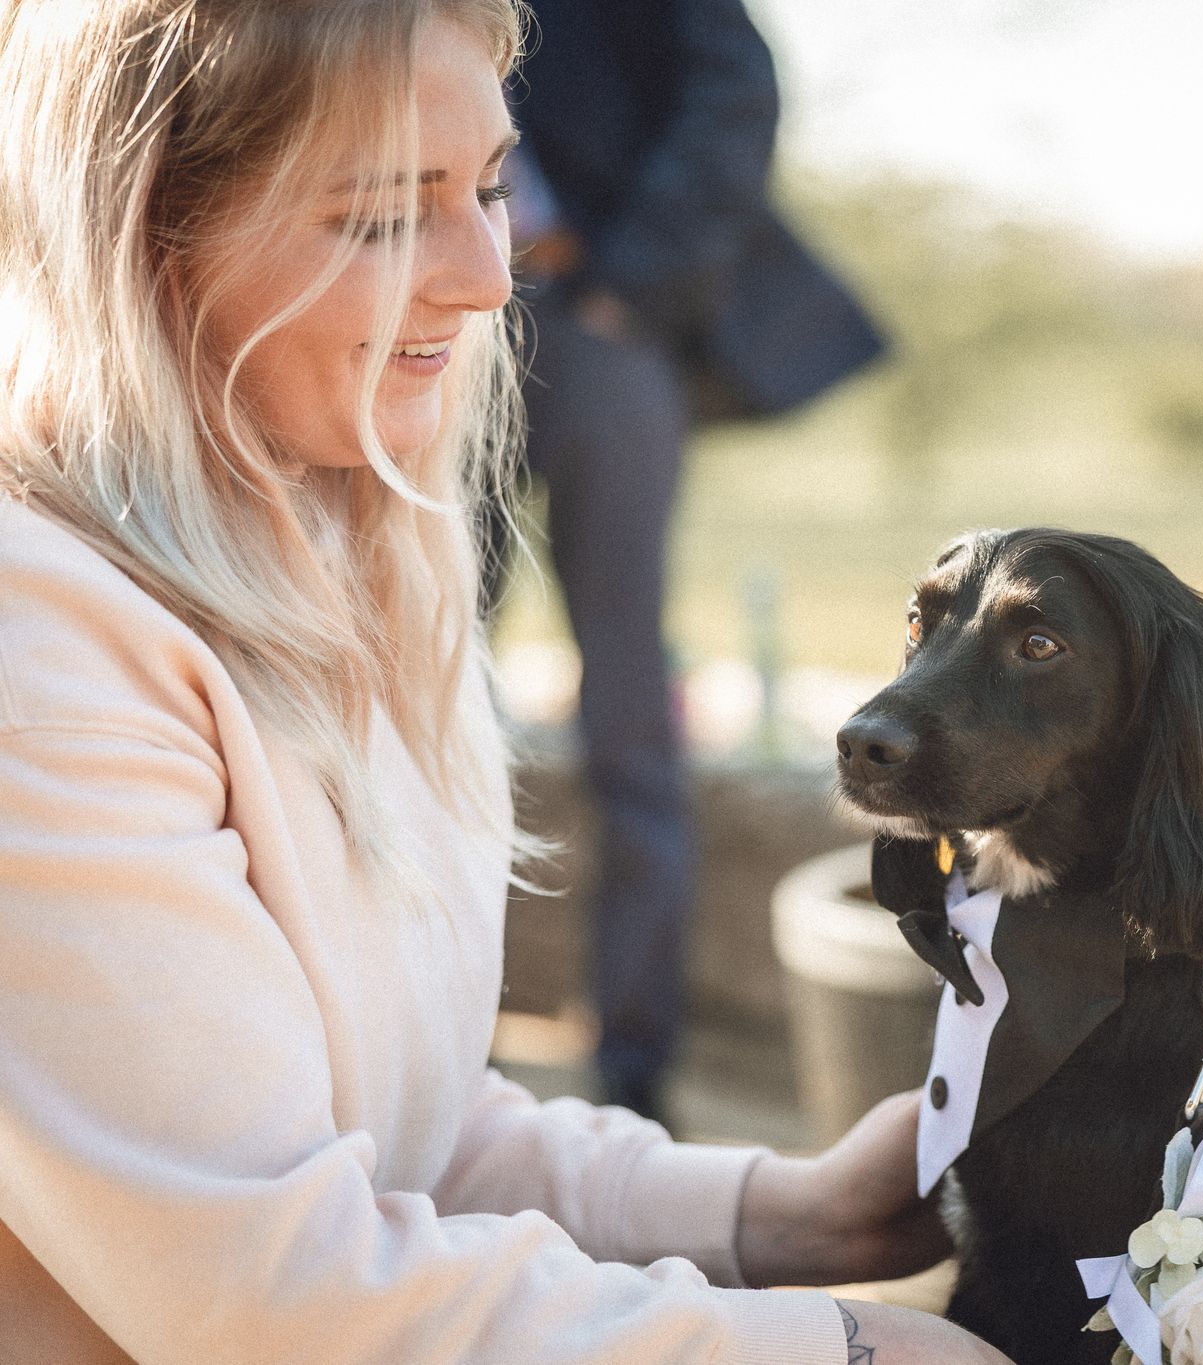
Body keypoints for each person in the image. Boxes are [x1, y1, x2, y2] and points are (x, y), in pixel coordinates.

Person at [0, 3, 1002, 1361]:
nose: (491, 274)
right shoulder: (38, 644)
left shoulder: (354, 557)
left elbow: (396, 1124)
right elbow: (270, 1291)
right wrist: (858, 1352)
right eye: (382, 215)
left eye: (486, 188)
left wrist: (782, 1215)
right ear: (142, 239)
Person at [494, 0, 886, 1122]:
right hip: (427, 320)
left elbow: (733, 91)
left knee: (628, 718)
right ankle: (435, 1054)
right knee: (420, 701)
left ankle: (631, 1076)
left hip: (593, 317)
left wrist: (629, 289)